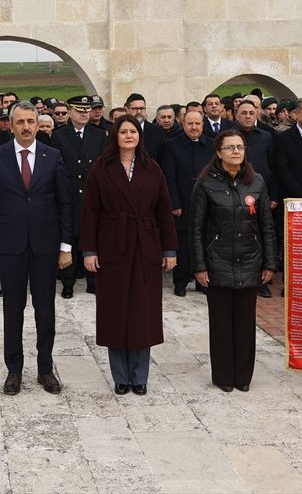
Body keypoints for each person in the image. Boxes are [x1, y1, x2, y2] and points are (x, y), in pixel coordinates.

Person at [0, 102, 74, 395]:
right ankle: (14, 369)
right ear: (10, 124)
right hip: (10, 246)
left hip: (46, 246)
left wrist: (66, 246)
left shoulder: (53, 156)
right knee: (13, 309)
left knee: (45, 309)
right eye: (19, 121)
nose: (25, 127)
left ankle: (45, 368)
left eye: (30, 122)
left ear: (37, 124)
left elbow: (65, 204)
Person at [80, 115, 177, 395]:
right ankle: (120, 376)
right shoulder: (101, 168)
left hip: (145, 245)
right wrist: (89, 250)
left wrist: (168, 249)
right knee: (115, 310)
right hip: (113, 245)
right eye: (123, 131)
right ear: (115, 136)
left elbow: (164, 210)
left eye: (133, 131)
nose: (128, 136)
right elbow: (90, 213)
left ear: (139, 136)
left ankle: (140, 375)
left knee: (142, 312)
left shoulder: (152, 168)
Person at [190, 129, 277, 392]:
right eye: (230, 147)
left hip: (250, 260)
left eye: (240, 147)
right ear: (219, 153)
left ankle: (243, 377)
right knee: (221, 324)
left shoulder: (257, 182)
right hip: (217, 262)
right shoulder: (206, 183)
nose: (236, 151)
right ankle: (224, 376)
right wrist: (200, 265)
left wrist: (270, 263)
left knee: (244, 323)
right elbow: (196, 228)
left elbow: (266, 225)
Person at [50, 95, 108, 298]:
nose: (84, 114)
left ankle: (93, 281)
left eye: (87, 110)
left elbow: (103, 165)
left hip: (92, 194)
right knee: (69, 238)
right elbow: (56, 166)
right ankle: (68, 282)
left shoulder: (100, 135)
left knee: (91, 236)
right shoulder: (59, 135)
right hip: (68, 192)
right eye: (79, 110)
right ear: (70, 111)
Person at [162, 108, 215, 295]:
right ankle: (180, 282)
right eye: (190, 123)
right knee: (182, 246)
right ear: (183, 124)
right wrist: (174, 203)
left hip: (207, 203)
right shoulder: (172, 145)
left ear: (202, 125)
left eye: (197, 124)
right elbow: (169, 176)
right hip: (182, 204)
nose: (194, 127)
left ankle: (202, 283)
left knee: (203, 244)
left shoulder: (211, 145)